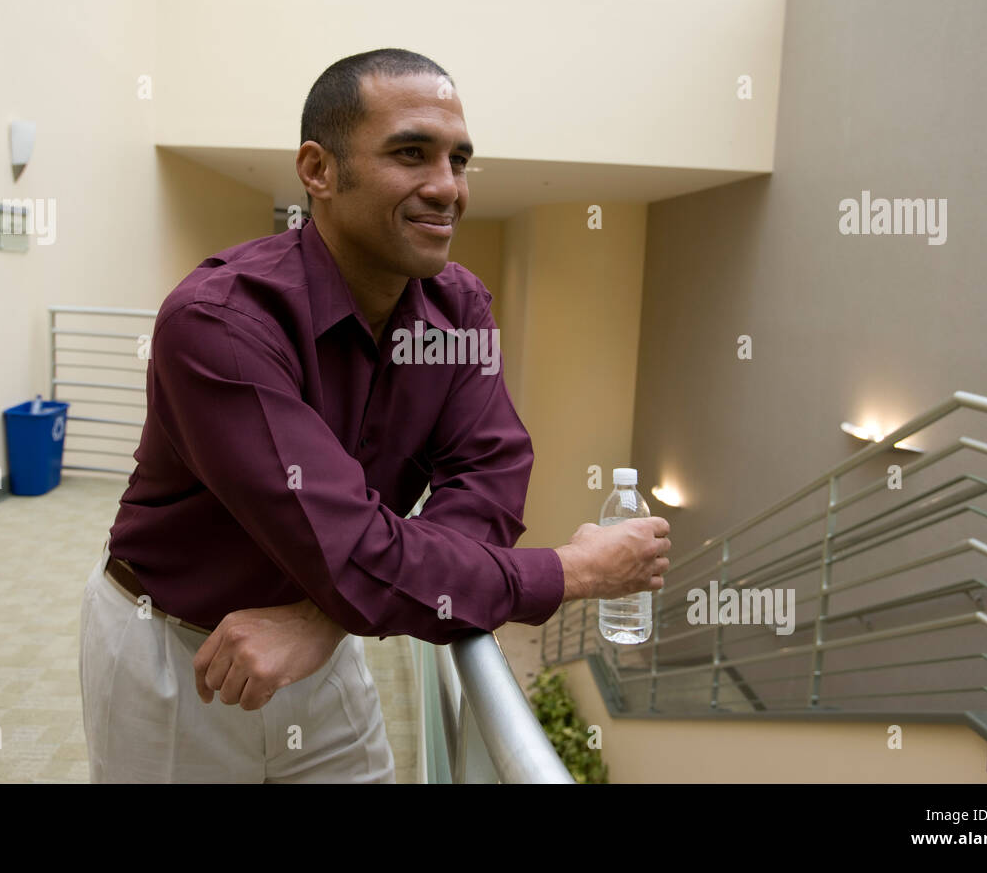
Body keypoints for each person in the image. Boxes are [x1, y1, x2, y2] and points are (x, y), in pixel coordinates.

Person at [77, 47, 671, 783]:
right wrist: (571, 571)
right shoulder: (220, 323)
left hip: (319, 644)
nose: (447, 187)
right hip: (174, 657)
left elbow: (486, 479)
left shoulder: (461, 308)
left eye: (459, 160)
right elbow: (355, 551)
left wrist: (326, 618)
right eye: (412, 154)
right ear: (319, 171)